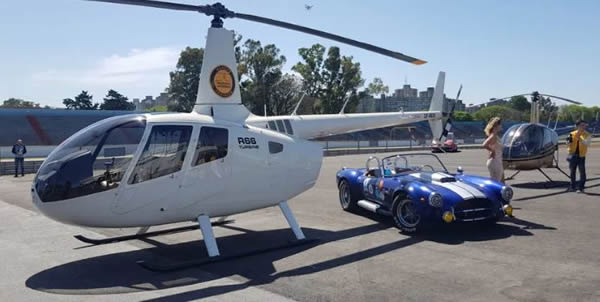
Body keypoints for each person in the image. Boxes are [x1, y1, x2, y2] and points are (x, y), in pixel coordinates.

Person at [567, 120, 592, 193]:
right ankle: (572, 187)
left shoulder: (587, 134)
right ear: (577, 126)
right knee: (572, 172)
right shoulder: (571, 134)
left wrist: (579, 138)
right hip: (572, 155)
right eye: (582, 125)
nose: (584, 127)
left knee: (582, 172)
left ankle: (581, 187)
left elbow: (587, 144)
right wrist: (570, 140)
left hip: (581, 156)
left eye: (584, 125)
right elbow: (568, 143)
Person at [482, 117, 504, 182]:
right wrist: (492, 150)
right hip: (495, 162)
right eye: (500, 124)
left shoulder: (495, 135)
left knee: (497, 182)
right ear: (496, 125)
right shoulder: (493, 136)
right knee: (496, 183)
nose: (501, 126)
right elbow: (484, 144)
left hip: (496, 161)